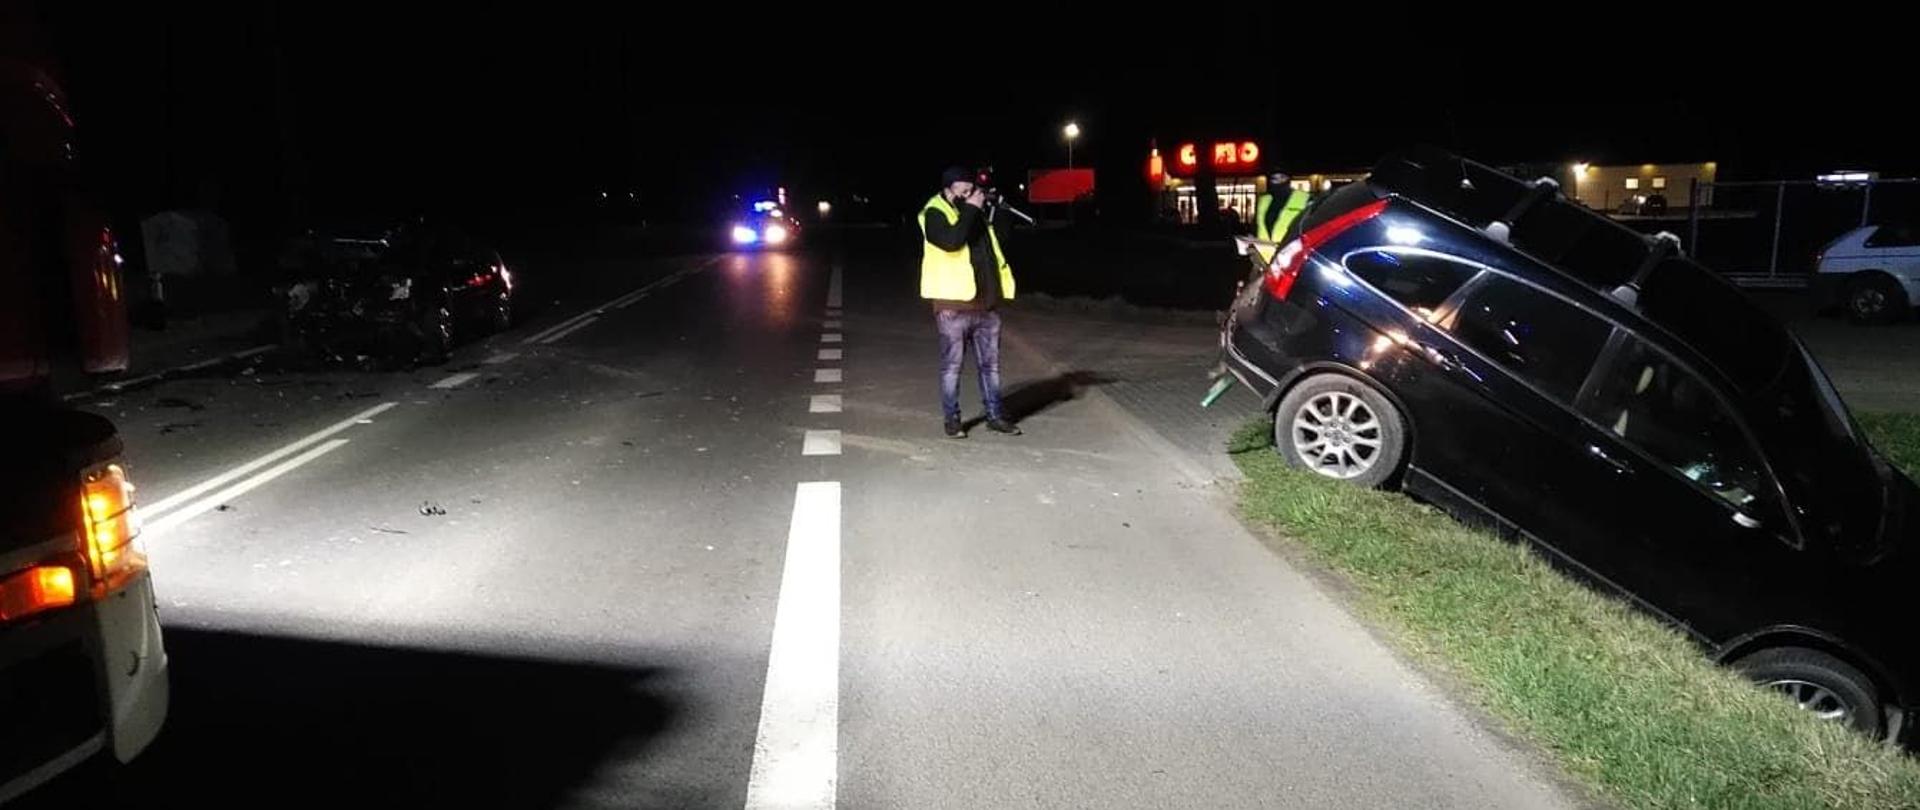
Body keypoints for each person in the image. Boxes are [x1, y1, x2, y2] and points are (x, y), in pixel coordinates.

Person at [918, 167, 1020, 439]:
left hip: (986, 306)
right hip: (953, 306)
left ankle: (996, 416)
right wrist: (972, 209)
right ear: (949, 188)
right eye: (962, 190)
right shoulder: (934, 212)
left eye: (971, 189)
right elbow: (952, 241)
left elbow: (1002, 242)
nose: (968, 194)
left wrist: (1001, 210)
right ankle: (952, 420)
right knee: (952, 367)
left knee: (992, 367)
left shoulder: (976, 215)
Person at [1253, 171, 1311, 263]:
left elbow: (1311, 228)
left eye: (1282, 177)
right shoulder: (1263, 201)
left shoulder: (1305, 198)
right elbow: (1257, 228)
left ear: (1289, 179)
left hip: (1291, 258)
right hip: (1263, 261)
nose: (1279, 181)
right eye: (1274, 178)